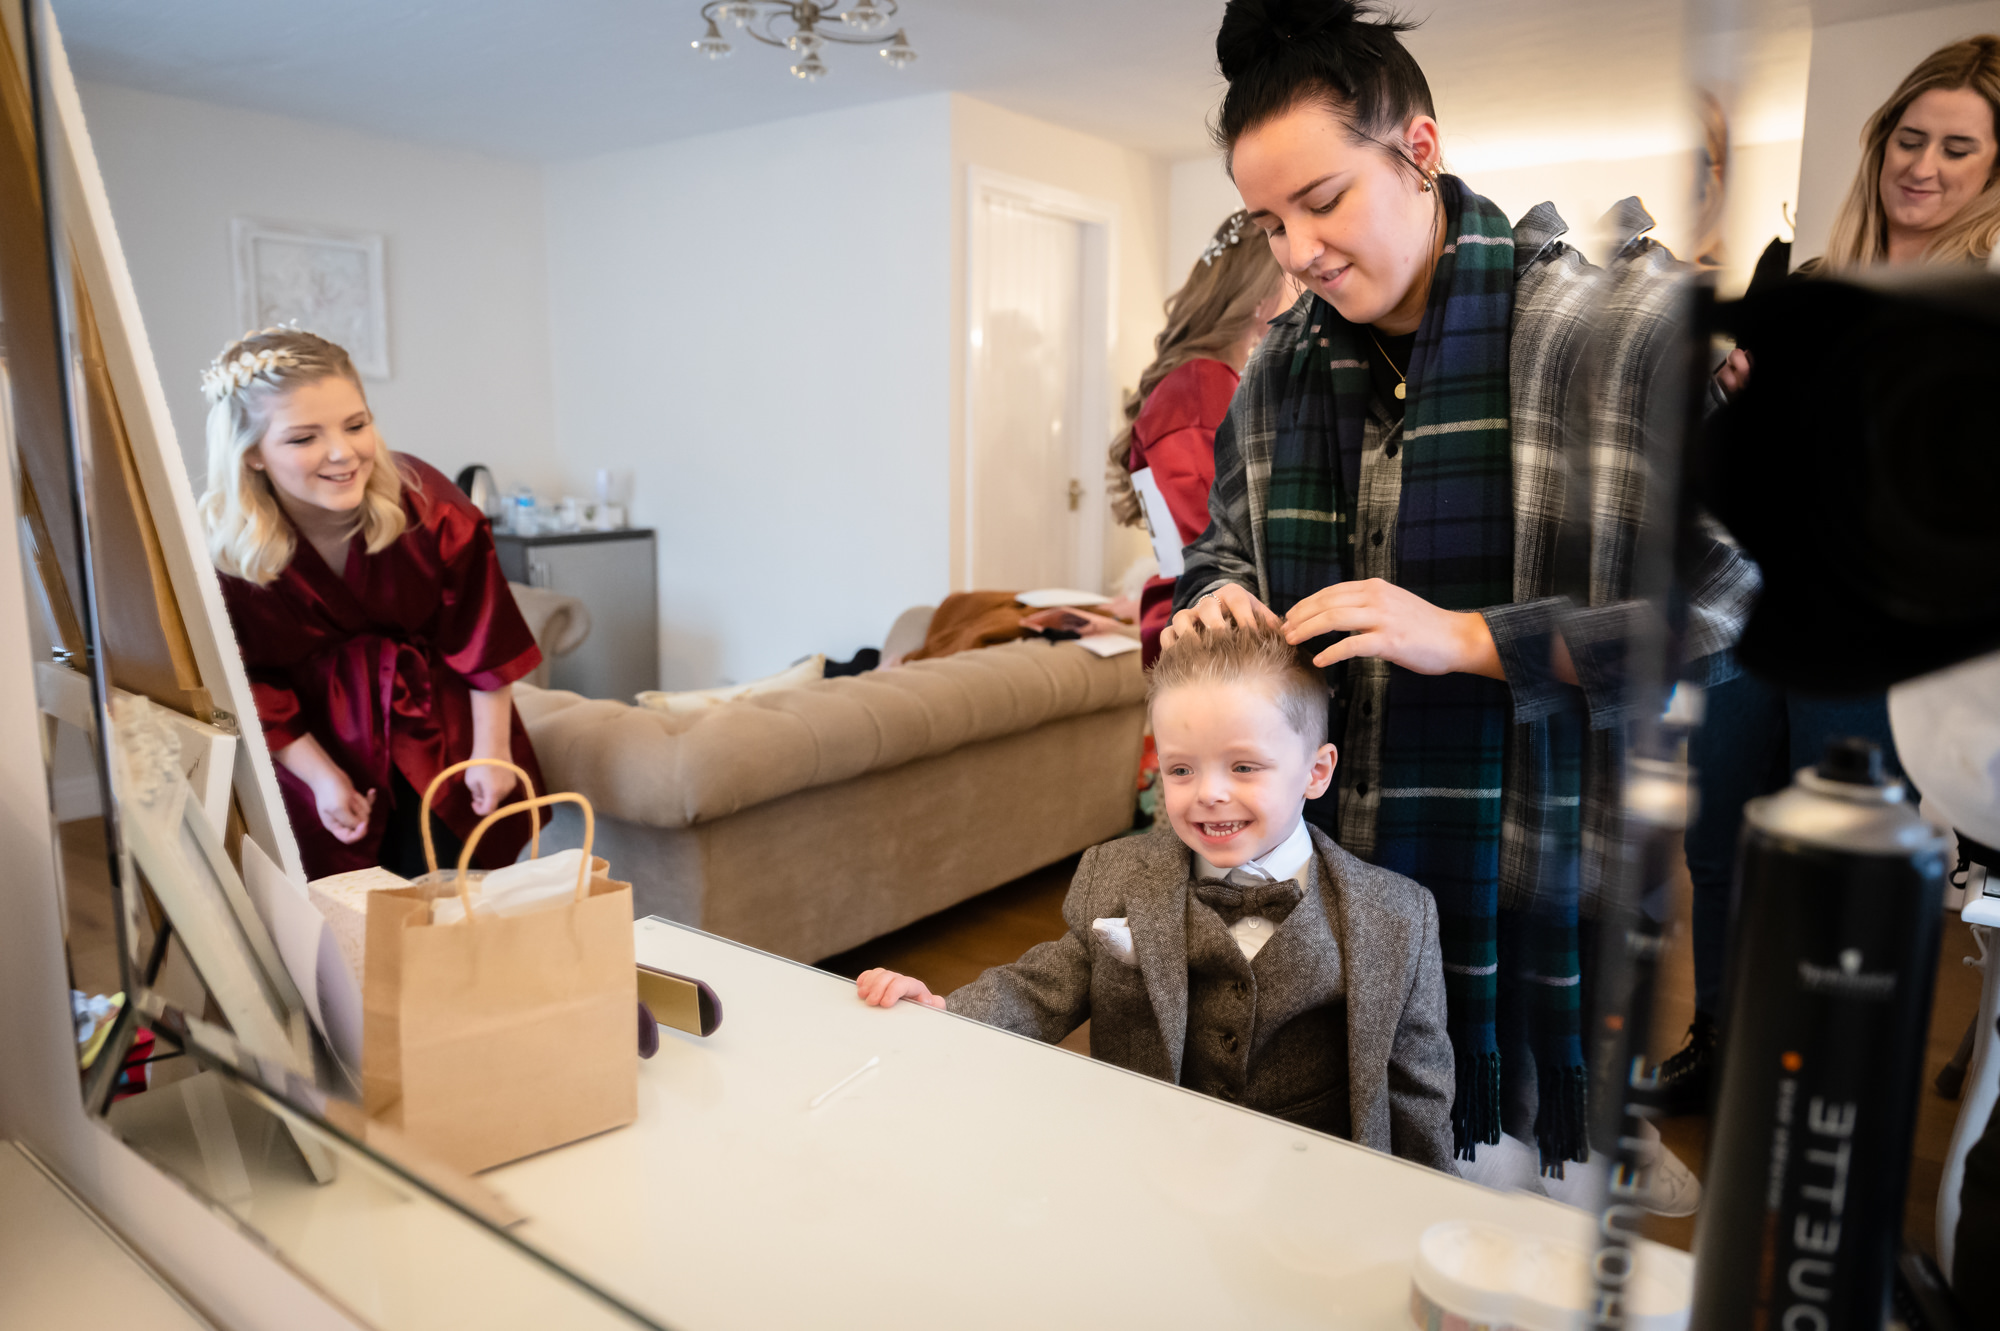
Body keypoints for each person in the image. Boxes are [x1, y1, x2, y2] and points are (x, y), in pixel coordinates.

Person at [1157, 0, 1747, 1198]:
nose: (1298, 251)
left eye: (1321, 201)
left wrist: (1476, 638)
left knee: (1502, 1208)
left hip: (1518, 897)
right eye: (1267, 222)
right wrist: (1213, 598)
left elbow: (1726, 607)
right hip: (1315, 888)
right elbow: (1221, 544)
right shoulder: (1275, 369)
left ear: (1417, 151)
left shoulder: (1604, 338)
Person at [1658, 34, 2000, 1115]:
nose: (1924, 166)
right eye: (1909, 138)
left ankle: (1812, 1077)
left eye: (1957, 148)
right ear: (1878, 143)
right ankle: (1719, 1039)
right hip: (1739, 601)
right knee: (1716, 837)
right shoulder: (1803, 283)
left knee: (1831, 857)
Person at [857, 617, 1457, 1172]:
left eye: (1244, 767)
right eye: (1181, 769)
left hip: (1308, 1192)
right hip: (1145, 1166)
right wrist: (946, 1014)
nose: (1209, 794)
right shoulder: (1116, 874)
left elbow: (1418, 1095)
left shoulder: (1398, 917)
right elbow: (1041, 988)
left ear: (1316, 772)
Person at [197, 327, 547, 881]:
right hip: (312, 746)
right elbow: (247, 680)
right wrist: (320, 777)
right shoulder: (227, 553)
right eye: (302, 438)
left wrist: (493, 750)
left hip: (439, 731)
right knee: (345, 917)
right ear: (252, 454)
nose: (342, 453)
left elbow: (483, 636)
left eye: (356, 425)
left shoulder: (431, 508)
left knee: (460, 902)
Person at [1106, 211, 1296, 664]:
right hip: (1204, 628)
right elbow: (1211, 532)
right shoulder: (1200, 387)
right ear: (1260, 295)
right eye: (1291, 278)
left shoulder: (1202, 380)